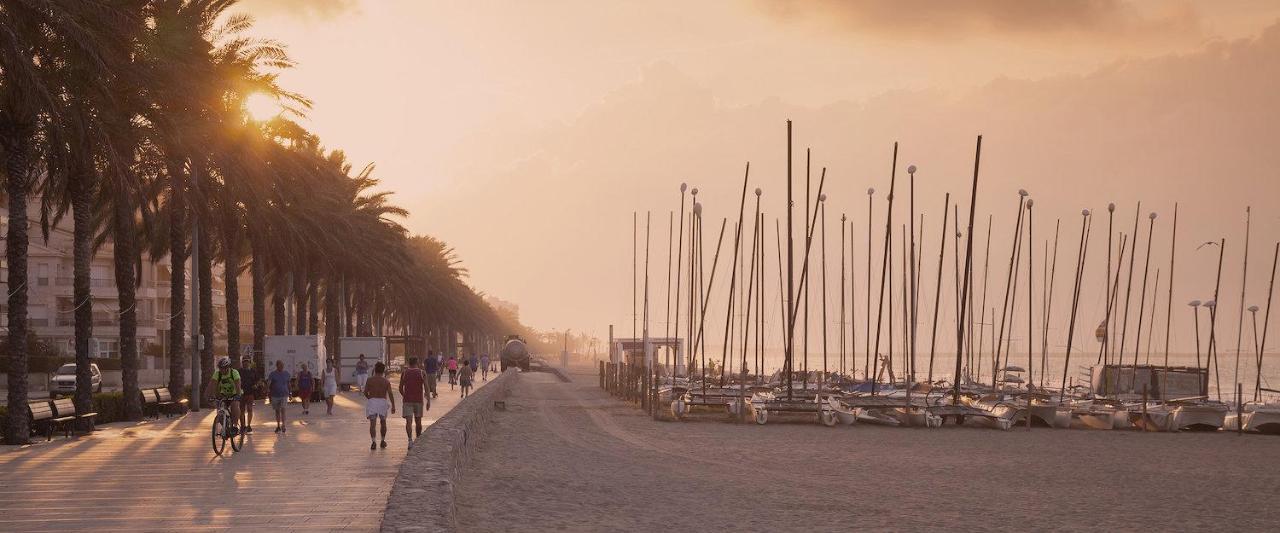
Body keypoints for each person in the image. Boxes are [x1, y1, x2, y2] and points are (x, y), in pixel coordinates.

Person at [204, 356, 242, 435]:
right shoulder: (217, 374)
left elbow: (238, 386)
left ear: (228, 367)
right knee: (220, 412)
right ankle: (226, 427)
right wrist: (210, 396)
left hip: (234, 393)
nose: (222, 370)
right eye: (220, 368)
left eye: (224, 368)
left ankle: (235, 425)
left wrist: (238, 395)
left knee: (234, 405)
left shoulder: (234, 373)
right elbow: (212, 385)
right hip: (223, 395)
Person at [363, 362, 396, 450]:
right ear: (383, 370)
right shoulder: (386, 381)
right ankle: (382, 440)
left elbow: (365, 392)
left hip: (372, 401)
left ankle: (373, 441)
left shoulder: (370, 380)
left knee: (372, 424)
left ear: (375, 369)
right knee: (383, 422)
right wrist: (393, 405)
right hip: (382, 402)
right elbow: (390, 393)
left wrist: (370, 398)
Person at [398, 357, 429, 447]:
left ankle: (410, 440)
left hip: (407, 401)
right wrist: (428, 401)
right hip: (418, 400)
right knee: (418, 421)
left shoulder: (404, 373)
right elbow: (426, 387)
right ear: (417, 362)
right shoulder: (422, 372)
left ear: (409, 363)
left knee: (408, 421)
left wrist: (405, 395)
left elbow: (400, 388)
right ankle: (418, 438)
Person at [267, 360, 292, 433]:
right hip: (275, 395)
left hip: (284, 394)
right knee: (277, 411)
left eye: (282, 365)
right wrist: (268, 391)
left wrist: (290, 393)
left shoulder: (286, 374)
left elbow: (289, 384)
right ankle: (278, 425)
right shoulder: (272, 374)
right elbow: (269, 383)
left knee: (283, 410)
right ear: (277, 366)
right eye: (280, 365)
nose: (282, 367)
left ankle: (283, 425)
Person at [239, 357, 262, 433]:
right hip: (241, 393)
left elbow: (259, 380)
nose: (245, 363)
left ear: (249, 363)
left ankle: (249, 425)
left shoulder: (253, 371)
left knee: (249, 409)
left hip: (250, 393)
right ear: (242, 363)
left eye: (247, 362)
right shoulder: (239, 371)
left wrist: (256, 385)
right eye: (244, 362)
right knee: (241, 410)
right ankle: (243, 426)